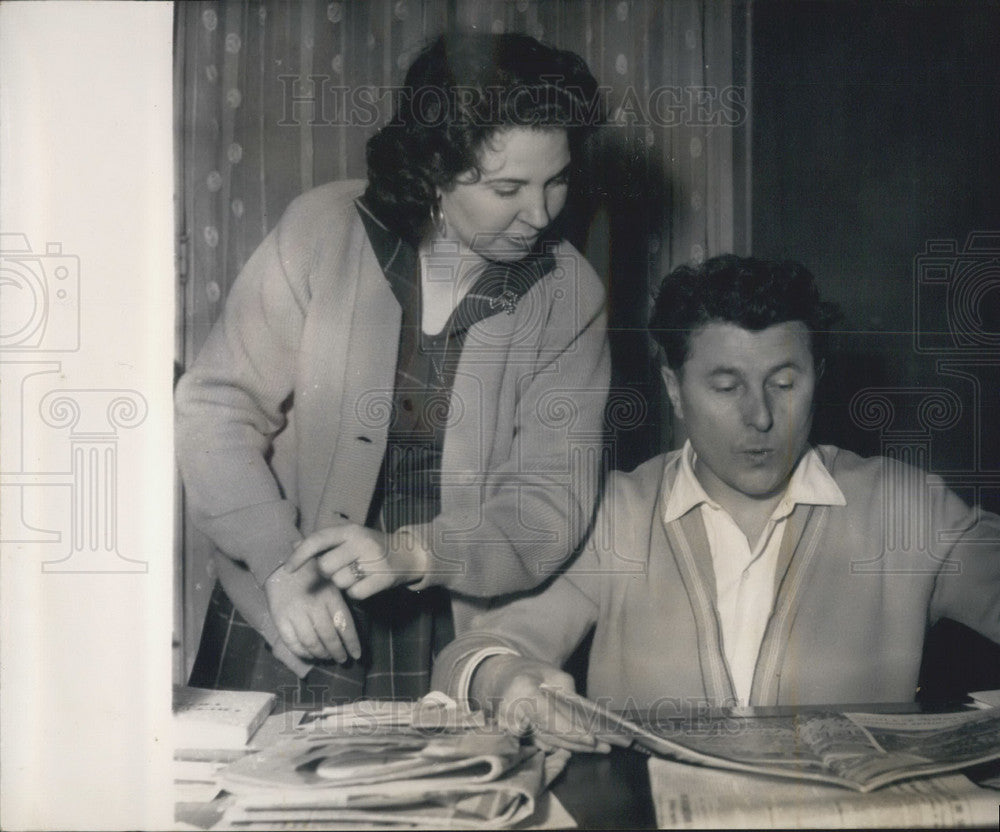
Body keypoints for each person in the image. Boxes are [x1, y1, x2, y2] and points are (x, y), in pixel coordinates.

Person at [175, 31, 610, 705]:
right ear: (434, 167)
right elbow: (215, 409)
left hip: (447, 619)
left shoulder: (570, 295)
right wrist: (275, 561)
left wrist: (414, 554)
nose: (542, 213)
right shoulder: (321, 230)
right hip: (285, 608)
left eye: (557, 180)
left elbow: (551, 503)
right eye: (507, 187)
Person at [431, 254, 1000, 750]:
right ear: (675, 390)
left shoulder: (906, 509)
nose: (760, 416)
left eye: (784, 383)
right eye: (726, 388)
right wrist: (506, 680)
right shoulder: (616, 516)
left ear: (818, 377)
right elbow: (473, 652)